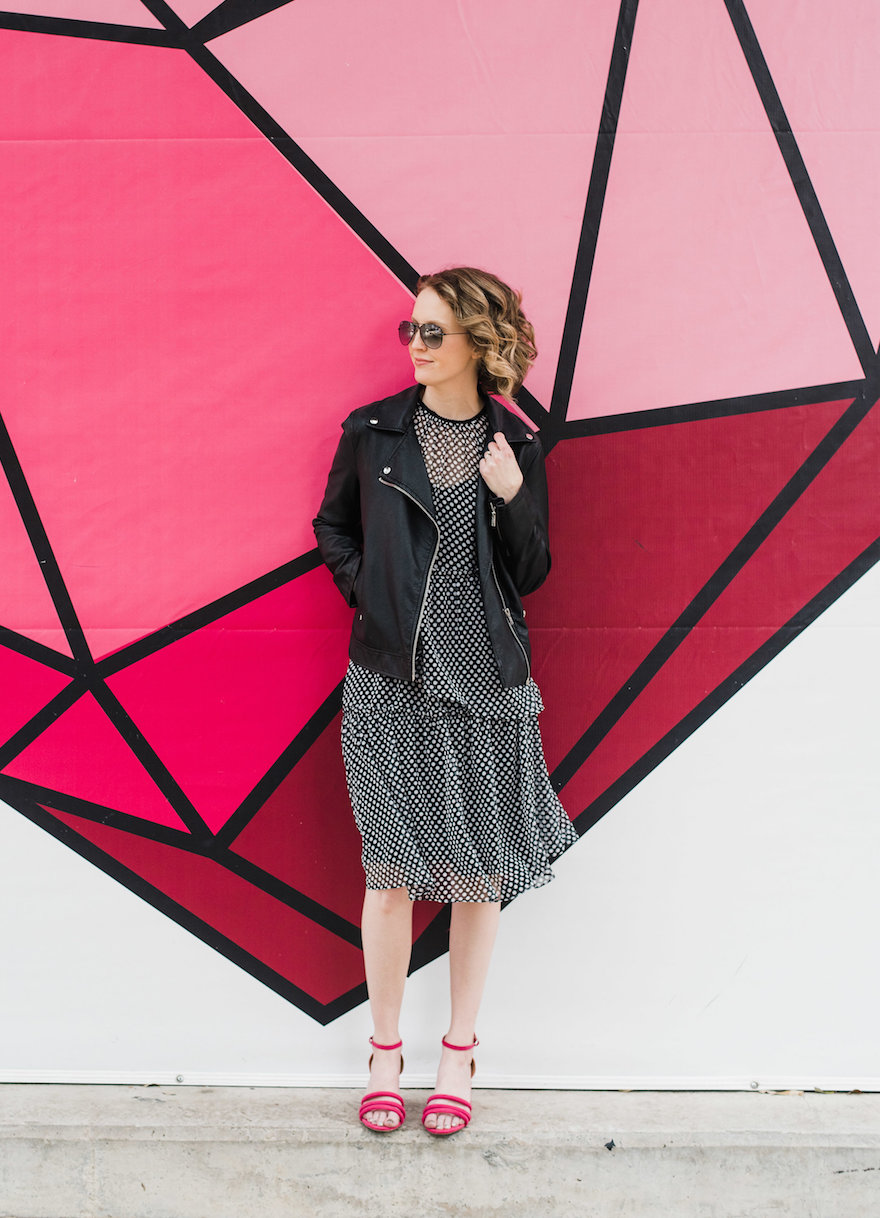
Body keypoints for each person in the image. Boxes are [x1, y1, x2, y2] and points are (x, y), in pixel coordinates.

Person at [313, 266, 577, 1137]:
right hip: (391, 678)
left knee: (475, 875)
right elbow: (333, 527)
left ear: (477, 341)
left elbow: (531, 571)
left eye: (433, 331)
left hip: (485, 681)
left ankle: (459, 1052)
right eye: (412, 330)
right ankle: (385, 1053)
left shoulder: (515, 447)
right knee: (390, 873)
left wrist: (511, 499)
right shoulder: (374, 432)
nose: (416, 345)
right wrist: (370, 591)